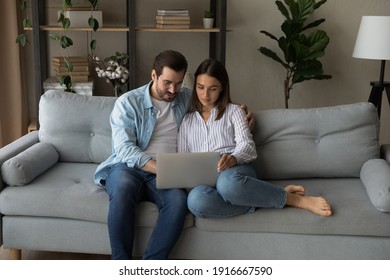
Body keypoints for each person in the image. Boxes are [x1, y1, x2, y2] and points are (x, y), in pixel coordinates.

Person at [94, 50, 255, 260]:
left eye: (178, 83)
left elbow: (215, 99)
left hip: (170, 171)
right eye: (167, 83)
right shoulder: (127, 102)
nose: (173, 90)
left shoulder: (185, 97)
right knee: (123, 190)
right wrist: (156, 167)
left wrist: (246, 112)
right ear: (154, 76)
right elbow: (124, 149)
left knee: (178, 202)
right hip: (130, 168)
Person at [178, 58, 332, 219]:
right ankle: (269, 198)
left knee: (227, 184)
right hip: (204, 180)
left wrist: (234, 158)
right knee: (196, 201)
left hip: (234, 171)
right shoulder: (187, 121)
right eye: (200, 87)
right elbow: (181, 159)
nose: (205, 95)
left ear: (222, 87)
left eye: (213, 89)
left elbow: (247, 146)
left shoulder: (234, 111)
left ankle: (294, 200)